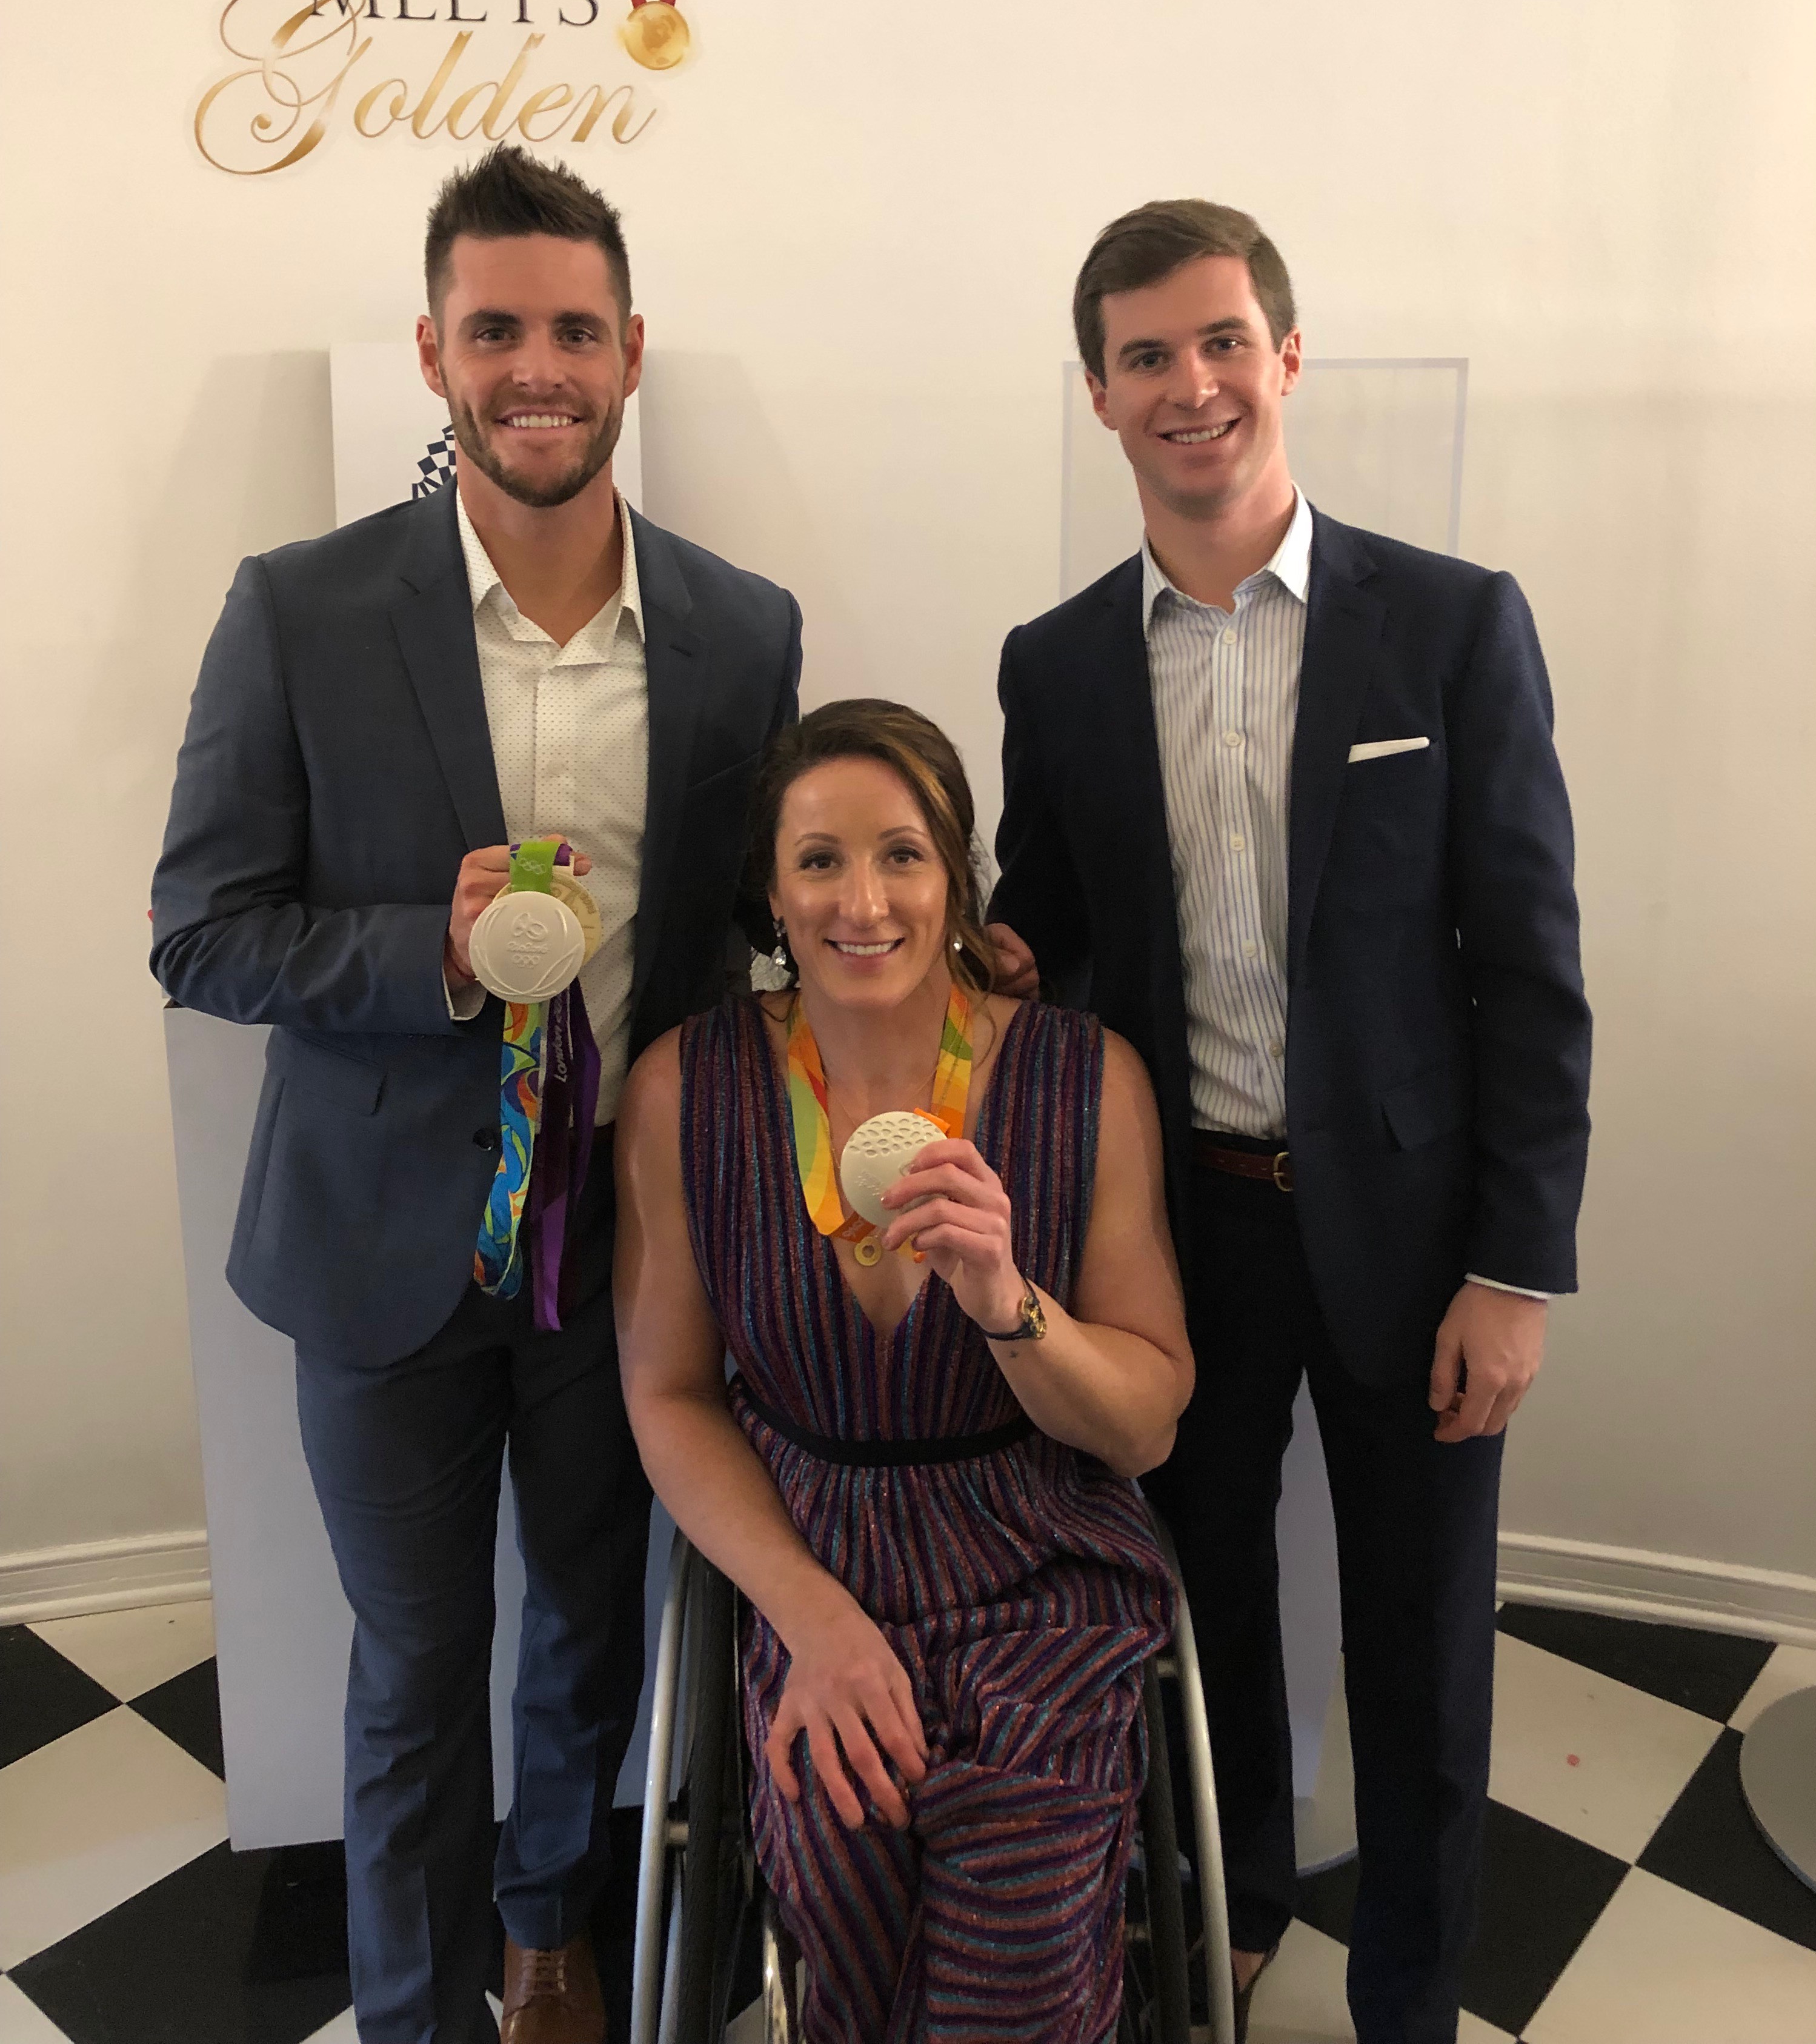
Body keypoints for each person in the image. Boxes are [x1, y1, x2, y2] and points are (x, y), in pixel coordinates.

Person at [150, 145, 800, 2044]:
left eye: (576, 330)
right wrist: (428, 959)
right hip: (380, 1250)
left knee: (589, 1627)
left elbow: (750, 929)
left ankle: (548, 1936)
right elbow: (203, 934)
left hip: (626, 1249)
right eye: (496, 328)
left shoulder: (743, 628)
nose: (539, 367)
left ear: (631, 354)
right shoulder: (301, 610)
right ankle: (418, 2013)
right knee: (419, 1662)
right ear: (434, 354)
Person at [988, 201, 1591, 2044]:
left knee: (1419, 1628)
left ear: (1289, 354)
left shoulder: (1455, 626)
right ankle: (1227, 1908)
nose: (1193, 386)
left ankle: (1409, 1988)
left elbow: (1532, 972)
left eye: (1223, 341)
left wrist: (1517, 1269)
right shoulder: (1056, 665)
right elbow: (1049, 931)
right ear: (1099, 394)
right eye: (1147, 356)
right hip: (1181, 1230)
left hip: (1418, 1237)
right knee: (1202, 1599)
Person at [614, 699, 1193, 2044]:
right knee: (837, 1878)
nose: (862, 901)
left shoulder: (1084, 1079)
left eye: (902, 856)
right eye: (819, 860)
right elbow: (669, 1394)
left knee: (1017, 1949)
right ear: (771, 892)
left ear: (955, 880)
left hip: (1037, 1563)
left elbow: (1148, 1426)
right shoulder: (685, 1091)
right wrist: (813, 1623)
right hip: (811, 1555)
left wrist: (1007, 1304)